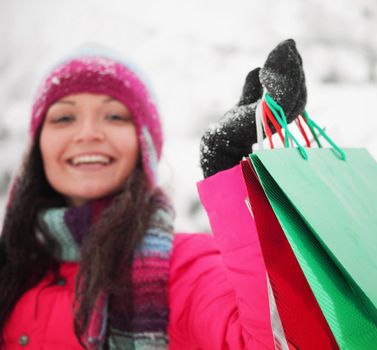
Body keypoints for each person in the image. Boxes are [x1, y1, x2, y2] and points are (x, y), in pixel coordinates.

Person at [0, 39, 306, 349]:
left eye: (114, 116)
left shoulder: (184, 267)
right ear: (38, 145)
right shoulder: (11, 270)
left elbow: (273, 342)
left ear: (143, 146)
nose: (88, 133)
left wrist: (227, 174)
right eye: (64, 118)